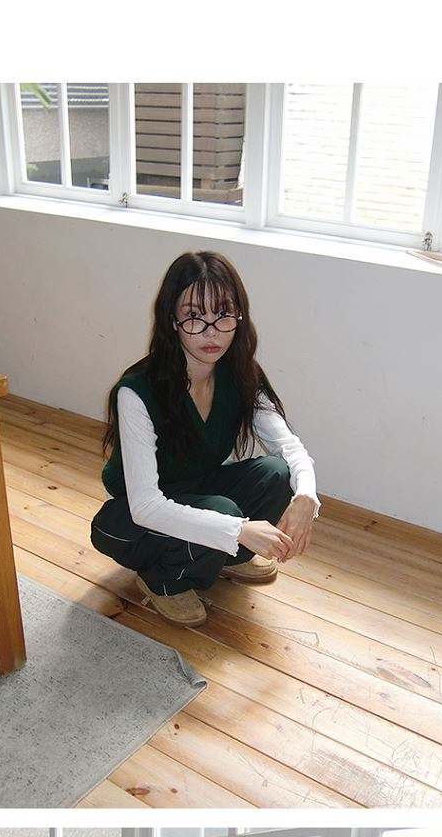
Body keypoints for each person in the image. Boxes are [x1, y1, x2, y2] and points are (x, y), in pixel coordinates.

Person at [90, 249, 319, 625]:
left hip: (200, 488)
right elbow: (146, 506)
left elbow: (288, 447)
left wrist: (307, 497)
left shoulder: (240, 373)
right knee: (224, 514)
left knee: (277, 474)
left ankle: (229, 555)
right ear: (172, 320)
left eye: (223, 314)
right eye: (194, 316)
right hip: (133, 514)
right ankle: (165, 581)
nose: (211, 331)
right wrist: (239, 529)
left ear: (239, 317)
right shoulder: (136, 391)